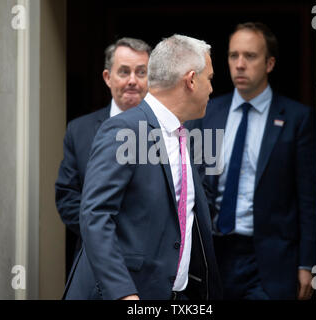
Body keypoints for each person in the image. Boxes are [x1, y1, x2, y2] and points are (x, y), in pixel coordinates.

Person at [63, 34, 222, 300]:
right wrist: (125, 295)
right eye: (210, 79)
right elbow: (95, 216)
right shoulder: (123, 129)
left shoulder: (185, 133)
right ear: (191, 80)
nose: (212, 89)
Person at [188, 22, 316, 300]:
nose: (240, 64)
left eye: (250, 56)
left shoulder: (297, 118)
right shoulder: (207, 113)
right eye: (234, 56)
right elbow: (193, 182)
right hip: (214, 253)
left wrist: (307, 263)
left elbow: (308, 198)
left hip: (269, 261)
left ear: (270, 63)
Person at [55, 37, 151, 265]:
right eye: (124, 72)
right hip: (94, 260)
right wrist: (104, 234)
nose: (132, 81)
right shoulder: (79, 131)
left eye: (141, 72)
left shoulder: (169, 131)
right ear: (108, 78)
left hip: (152, 262)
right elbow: (67, 197)